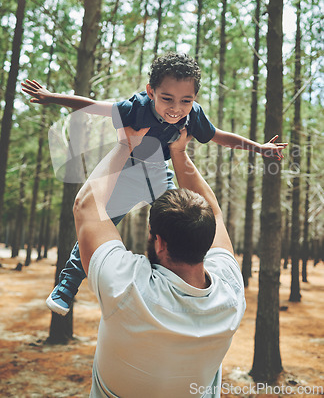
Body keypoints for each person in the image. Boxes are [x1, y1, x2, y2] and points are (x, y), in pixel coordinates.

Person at [22, 52, 287, 315]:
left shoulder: (193, 116)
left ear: (194, 99)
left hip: (159, 174)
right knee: (97, 225)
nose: (176, 108)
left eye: (186, 100)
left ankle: (181, 288)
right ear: (151, 91)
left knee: (183, 223)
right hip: (125, 173)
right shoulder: (134, 107)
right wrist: (51, 97)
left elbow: (219, 136)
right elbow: (93, 105)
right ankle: (66, 287)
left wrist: (258, 148)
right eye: (167, 98)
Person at [73, 125, 246, 398]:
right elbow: (216, 215)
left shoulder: (126, 287)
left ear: (160, 242)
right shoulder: (230, 294)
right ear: (207, 238)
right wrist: (179, 153)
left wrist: (124, 145)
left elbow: (86, 205)